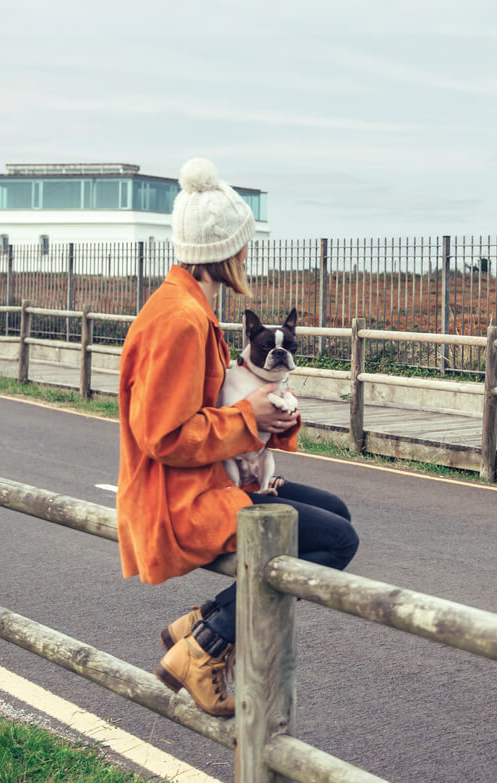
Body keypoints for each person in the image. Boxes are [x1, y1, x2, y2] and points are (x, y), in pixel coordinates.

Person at [116, 159, 359, 718]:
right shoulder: (180, 320)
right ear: (225, 250)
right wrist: (250, 417)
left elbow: (212, 410)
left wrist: (267, 417)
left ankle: (203, 622)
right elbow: (162, 436)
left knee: (335, 512)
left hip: (205, 480)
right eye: (245, 246)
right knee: (338, 542)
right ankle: (205, 647)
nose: (248, 256)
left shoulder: (186, 306)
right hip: (180, 500)